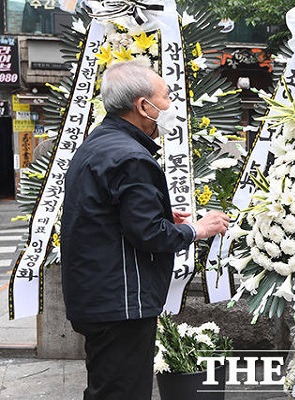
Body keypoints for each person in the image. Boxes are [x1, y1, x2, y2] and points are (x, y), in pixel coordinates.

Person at [61, 60, 230, 399]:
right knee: (123, 392)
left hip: (100, 296)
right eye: (166, 98)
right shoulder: (131, 156)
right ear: (143, 105)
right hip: (121, 302)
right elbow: (150, 234)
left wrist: (161, 214)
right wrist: (197, 229)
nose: (171, 107)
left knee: (108, 387)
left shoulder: (100, 144)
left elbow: (107, 214)